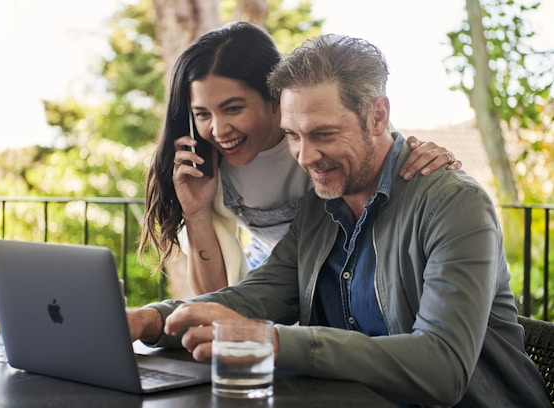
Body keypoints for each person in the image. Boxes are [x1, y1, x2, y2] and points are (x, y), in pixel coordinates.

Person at [127, 34, 550, 407]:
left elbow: (443, 369)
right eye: (293, 135)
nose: (306, 158)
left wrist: (273, 341)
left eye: (323, 134)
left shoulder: (454, 204)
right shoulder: (322, 203)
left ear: (378, 116)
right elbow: (256, 295)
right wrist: (153, 319)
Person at [139, 21, 462, 295]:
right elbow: (212, 298)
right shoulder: (206, 167)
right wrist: (195, 213)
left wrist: (427, 158)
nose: (219, 129)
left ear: (275, 99)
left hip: (346, 275)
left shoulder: (329, 133)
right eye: (202, 114)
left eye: (233, 108)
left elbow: (387, 152)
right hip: (272, 277)